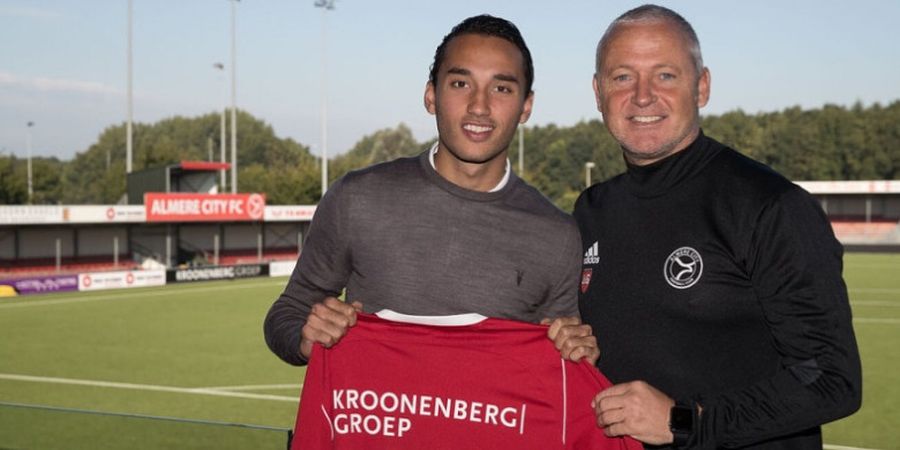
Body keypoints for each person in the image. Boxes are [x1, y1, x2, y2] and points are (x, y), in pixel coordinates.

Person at [574, 4, 862, 449]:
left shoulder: (770, 205)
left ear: (702, 87)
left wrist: (685, 422)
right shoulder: (592, 209)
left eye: (665, 75)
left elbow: (831, 379)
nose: (643, 95)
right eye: (622, 77)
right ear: (598, 92)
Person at [265, 15, 597, 368]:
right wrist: (306, 337)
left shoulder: (556, 235)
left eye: (501, 88)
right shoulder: (358, 198)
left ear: (526, 107)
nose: (479, 106)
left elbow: (561, 357)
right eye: (459, 83)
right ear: (430, 96)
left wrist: (576, 353)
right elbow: (287, 312)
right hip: (378, 421)